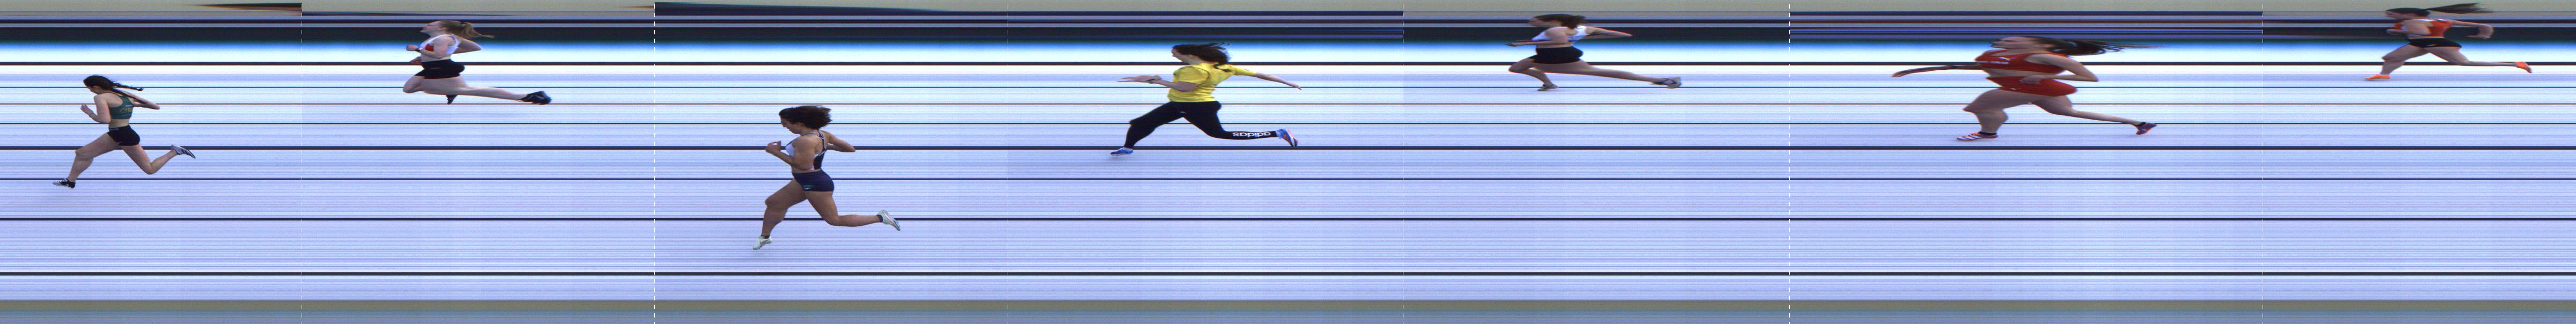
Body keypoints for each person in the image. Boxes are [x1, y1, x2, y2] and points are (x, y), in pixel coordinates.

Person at [1891, 36, 2158, 141]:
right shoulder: (1994, 54)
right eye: (2004, 39)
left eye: (2012, 40)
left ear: (2039, 44)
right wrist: (1928, 69)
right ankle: (2139, 123)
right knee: (2070, 113)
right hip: (2023, 87)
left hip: (2033, 88)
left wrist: (2037, 76)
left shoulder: (2046, 57)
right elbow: (1987, 67)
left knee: (1983, 106)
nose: (2003, 41)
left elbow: (2090, 78)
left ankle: (1987, 133)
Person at [1111, 43, 1304, 156]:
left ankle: (1278, 133)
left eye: (1175, 54)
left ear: (1189, 55)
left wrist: (1155, 80)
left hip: (1195, 107)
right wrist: (1287, 82)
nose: (1173, 56)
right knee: (1141, 123)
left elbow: (1184, 88)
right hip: (1181, 105)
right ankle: (1127, 148)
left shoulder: (1195, 70)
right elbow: (1261, 74)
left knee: (1219, 134)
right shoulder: (1224, 67)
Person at [756, 106, 899, 249]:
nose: (784, 126)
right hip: (804, 180)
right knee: (774, 203)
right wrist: (825, 147)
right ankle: (765, 237)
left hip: (814, 183)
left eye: (785, 123)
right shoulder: (822, 135)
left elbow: (803, 166)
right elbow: (850, 149)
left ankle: (881, 218)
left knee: (834, 220)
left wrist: (775, 152)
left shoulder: (805, 141)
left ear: (799, 123)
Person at [58, 76, 192, 188]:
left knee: (150, 169)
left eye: (90, 88)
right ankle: (71, 181)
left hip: (124, 136)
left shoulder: (101, 97)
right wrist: (137, 105)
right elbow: (155, 107)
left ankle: (175, 151)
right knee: (82, 154)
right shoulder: (126, 95)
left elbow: (104, 120)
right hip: (117, 134)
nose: (91, 91)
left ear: (96, 87)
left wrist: (90, 113)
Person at [1505, 14, 1681, 91]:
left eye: (1534, 21)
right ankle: (1549, 85)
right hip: (1551, 55)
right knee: (1516, 68)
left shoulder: (1555, 30)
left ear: (1551, 21)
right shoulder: (1585, 28)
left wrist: (1524, 44)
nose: (1531, 23)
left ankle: (1666, 80)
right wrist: (1583, 38)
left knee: (1602, 72)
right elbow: (1623, 35)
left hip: (1557, 57)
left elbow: (1561, 41)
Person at [2367, 3, 2530, 80]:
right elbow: (2485, 26)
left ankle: (2516, 64)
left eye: (2392, 15)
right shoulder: (2444, 20)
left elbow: (2422, 33)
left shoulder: (2410, 21)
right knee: (2391, 58)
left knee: (2465, 63)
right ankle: (2384, 75)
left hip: (2435, 43)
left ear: (2408, 14)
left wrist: (2396, 31)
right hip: (2422, 44)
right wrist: (2484, 36)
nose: (2390, 17)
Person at [402, 20, 552, 104]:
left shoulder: (443, 39)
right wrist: (424, 58)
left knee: (469, 90)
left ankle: (528, 96)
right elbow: (474, 47)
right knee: (409, 89)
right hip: (433, 67)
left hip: (442, 69)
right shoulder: (438, 39)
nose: (426, 26)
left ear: (442, 28)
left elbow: (439, 55)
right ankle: (450, 91)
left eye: (430, 25)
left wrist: (417, 50)